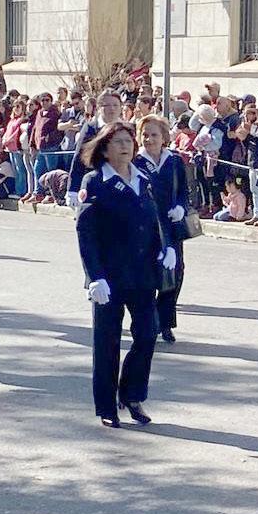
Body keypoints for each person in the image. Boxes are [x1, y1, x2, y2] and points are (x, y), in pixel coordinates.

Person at [75, 121, 176, 428]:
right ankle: (107, 406)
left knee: (147, 334)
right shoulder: (95, 181)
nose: (125, 146)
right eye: (118, 142)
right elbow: (86, 233)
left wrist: (167, 247)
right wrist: (94, 276)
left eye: (128, 141)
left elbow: (156, 218)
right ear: (105, 149)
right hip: (109, 277)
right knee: (106, 342)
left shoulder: (143, 178)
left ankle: (132, 394)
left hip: (142, 273)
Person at [135, 115, 189, 344]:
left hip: (171, 226)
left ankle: (165, 323)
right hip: (146, 226)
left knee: (174, 274)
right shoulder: (135, 162)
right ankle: (148, 321)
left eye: (154, 135)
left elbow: (184, 191)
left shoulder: (174, 161)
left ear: (164, 137)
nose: (149, 139)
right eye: (145, 134)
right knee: (148, 274)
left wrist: (181, 207)